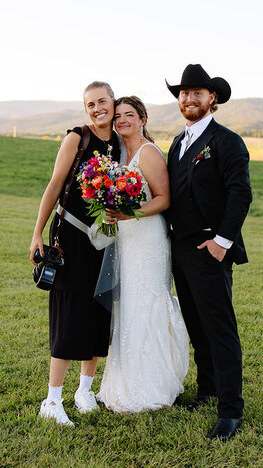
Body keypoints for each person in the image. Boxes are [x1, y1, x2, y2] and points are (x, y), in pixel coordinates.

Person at [164, 64, 252, 440]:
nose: (189, 99)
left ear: (211, 98)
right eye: (184, 93)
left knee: (220, 329)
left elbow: (240, 194)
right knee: (197, 326)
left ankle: (230, 410)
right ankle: (208, 390)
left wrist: (222, 242)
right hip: (180, 250)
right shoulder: (177, 141)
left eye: (197, 93)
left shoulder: (226, 142)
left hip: (210, 248)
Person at [29, 81, 121, 427]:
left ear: (113, 102)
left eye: (102, 102)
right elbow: (54, 185)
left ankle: (84, 390)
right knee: (70, 313)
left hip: (105, 240)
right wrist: (37, 232)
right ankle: (52, 399)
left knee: (99, 312)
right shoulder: (76, 138)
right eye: (90, 104)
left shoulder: (119, 144)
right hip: (70, 236)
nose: (97, 109)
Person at [96, 96, 189, 413]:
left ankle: (153, 383)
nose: (122, 120)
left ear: (143, 119)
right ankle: (124, 383)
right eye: (118, 115)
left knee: (146, 304)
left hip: (148, 241)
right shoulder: (121, 155)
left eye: (129, 115)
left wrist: (128, 214)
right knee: (130, 307)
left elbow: (163, 200)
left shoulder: (148, 153)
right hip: (128, 240)